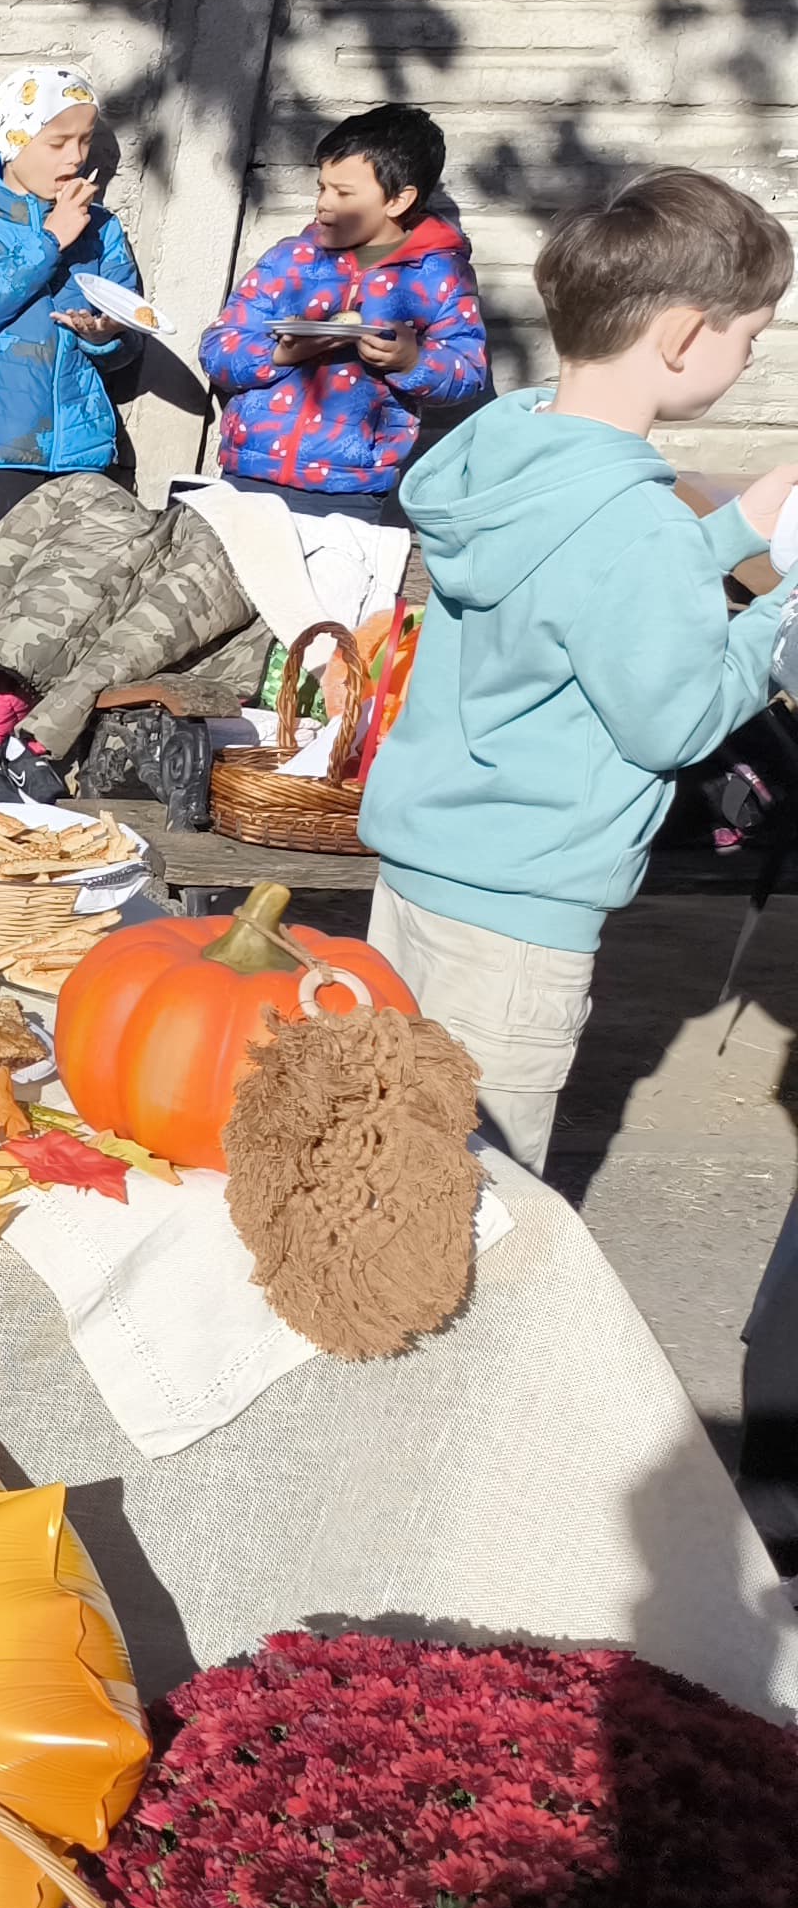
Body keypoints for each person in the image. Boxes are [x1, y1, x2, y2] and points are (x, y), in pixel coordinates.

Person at [358, 170, 798, 1173]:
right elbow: (673, 724)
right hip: (520, 913)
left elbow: (571, 589)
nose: (746, 361)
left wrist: (729, 533)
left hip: (423, 867)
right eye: (749, 338)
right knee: (477, 1188)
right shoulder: (634, 521)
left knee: (384, 1145)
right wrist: (780, 606)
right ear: (684, 336)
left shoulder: (511, 447)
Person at [0, 64, 150, 794]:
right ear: (15, 139)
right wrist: (49, 241)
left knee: (71, 610)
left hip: (84, 448)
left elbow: (128, 342)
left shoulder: (104, 230)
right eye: (59, 141)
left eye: (85, 140)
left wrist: (103, 335)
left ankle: (31, 751)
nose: (76, 158)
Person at [199, 102, 488, 521]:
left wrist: (412, 361)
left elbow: (468, 372)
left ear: (398, 200)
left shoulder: (439, 276)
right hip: (248, 474)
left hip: (349, 490)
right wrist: (281, 354)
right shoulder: (289, 261)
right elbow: (218, 347)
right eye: (322, 187)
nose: (324, 204)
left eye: (344, 193)